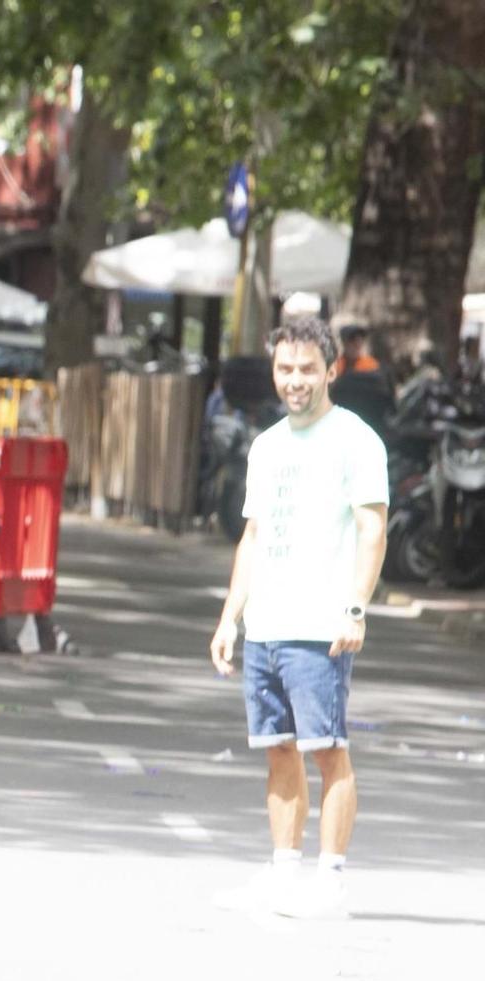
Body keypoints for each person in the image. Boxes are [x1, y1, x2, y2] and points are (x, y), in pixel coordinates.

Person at [209, 316, 388, 920]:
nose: (294, 380)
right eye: (285, 369)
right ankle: (283, 872)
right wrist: (230, 618)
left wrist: (355, 609)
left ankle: (330, 881)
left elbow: (372, 531)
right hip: (266, 626)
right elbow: (253, 536)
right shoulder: (267, 446)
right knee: (278, 749)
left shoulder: (356, 440)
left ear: (330, 370)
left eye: (307, 369)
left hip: (320, 629)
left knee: (328, 750)